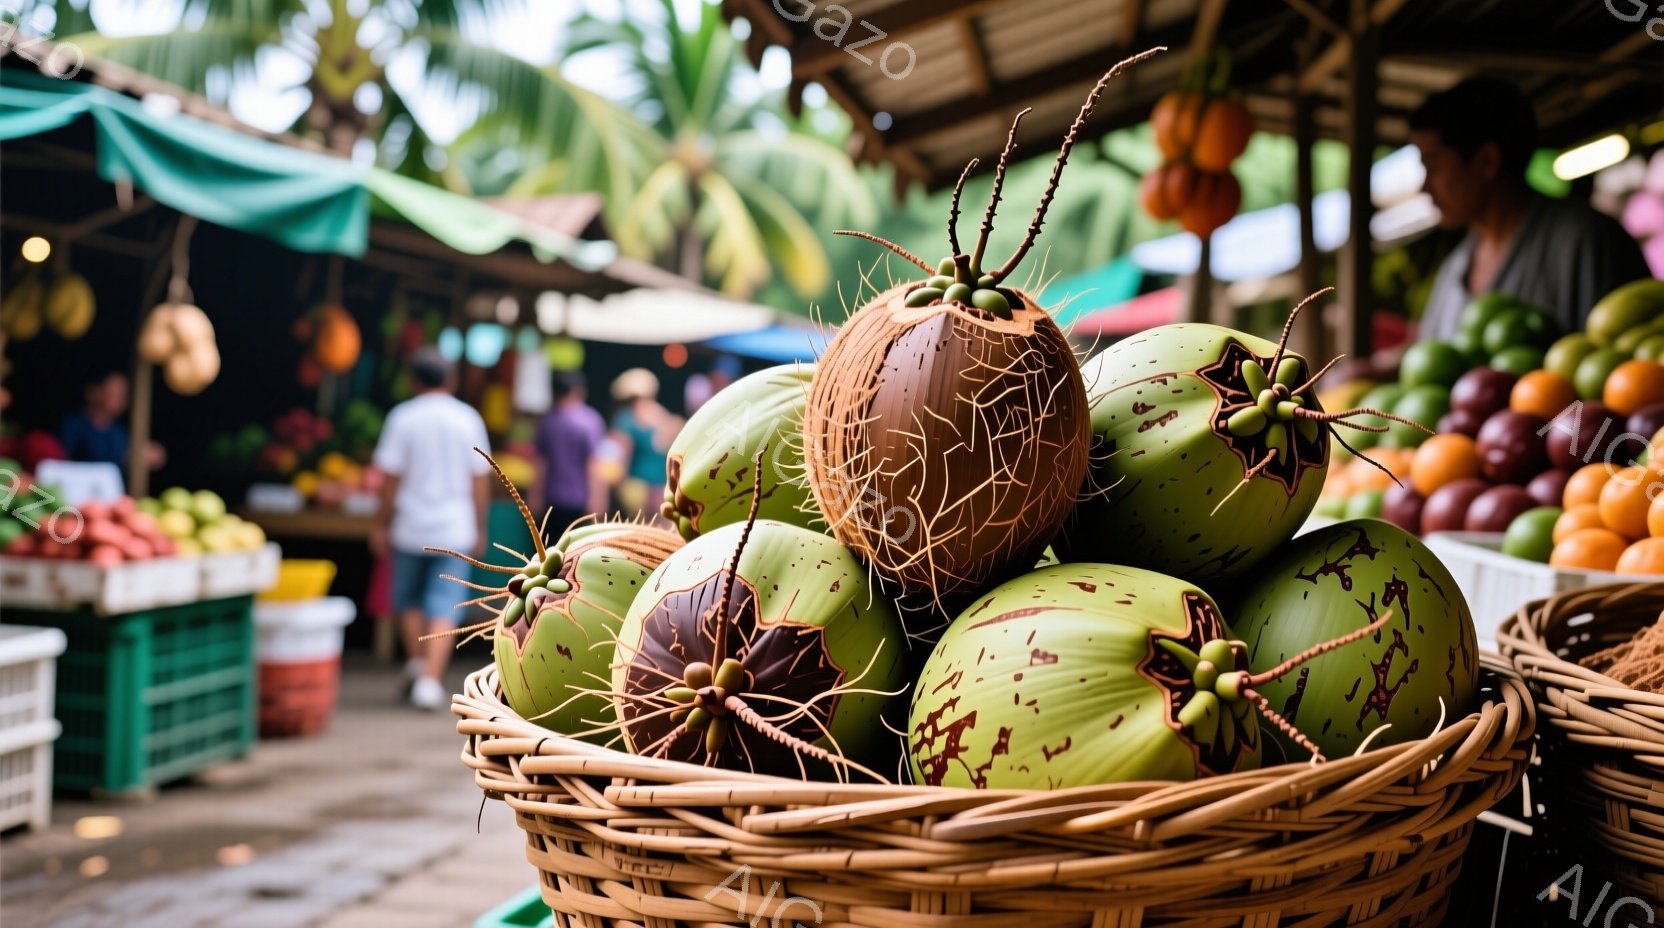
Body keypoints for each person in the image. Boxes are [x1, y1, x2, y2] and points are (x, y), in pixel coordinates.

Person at [1412, 78, 1651, 341]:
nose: (1425, 187)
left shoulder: (1585, 241)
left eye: (1433, 168)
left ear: (1487, 162)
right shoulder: (1454, 268)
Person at [370, 348, 491, 711]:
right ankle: (429, 680)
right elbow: (480, 478)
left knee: (407, 599)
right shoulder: (468, 418)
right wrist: (480, 525)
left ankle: (419, 665)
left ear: (413, 380)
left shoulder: (402, 418)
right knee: (445, 604)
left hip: (410, 525)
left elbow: (389, 478)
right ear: (451, 380)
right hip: (455, 528)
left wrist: (381, 522)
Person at [533, 371, 605, 541]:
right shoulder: (591, 420)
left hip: (552, 501)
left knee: (552, 551)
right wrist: (598, 500)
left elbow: (540, 465)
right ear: (579, 392)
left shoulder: (548, 421)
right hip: (582, 501)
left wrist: (534, 499)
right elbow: (594, 464)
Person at [608, 368, 680, 520]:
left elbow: (620, 455)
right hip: (662, 488)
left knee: (637, 528)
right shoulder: (663, 416)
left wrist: (616, 485)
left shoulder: (626, 419)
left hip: (635, 487)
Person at [58, 372, 164, 471]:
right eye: (114, 394)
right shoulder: (73, 426)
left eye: (123, 396)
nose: (120, 400)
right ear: (94, 392)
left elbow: (131, 454)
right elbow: (63, 462)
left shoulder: (119, 433)